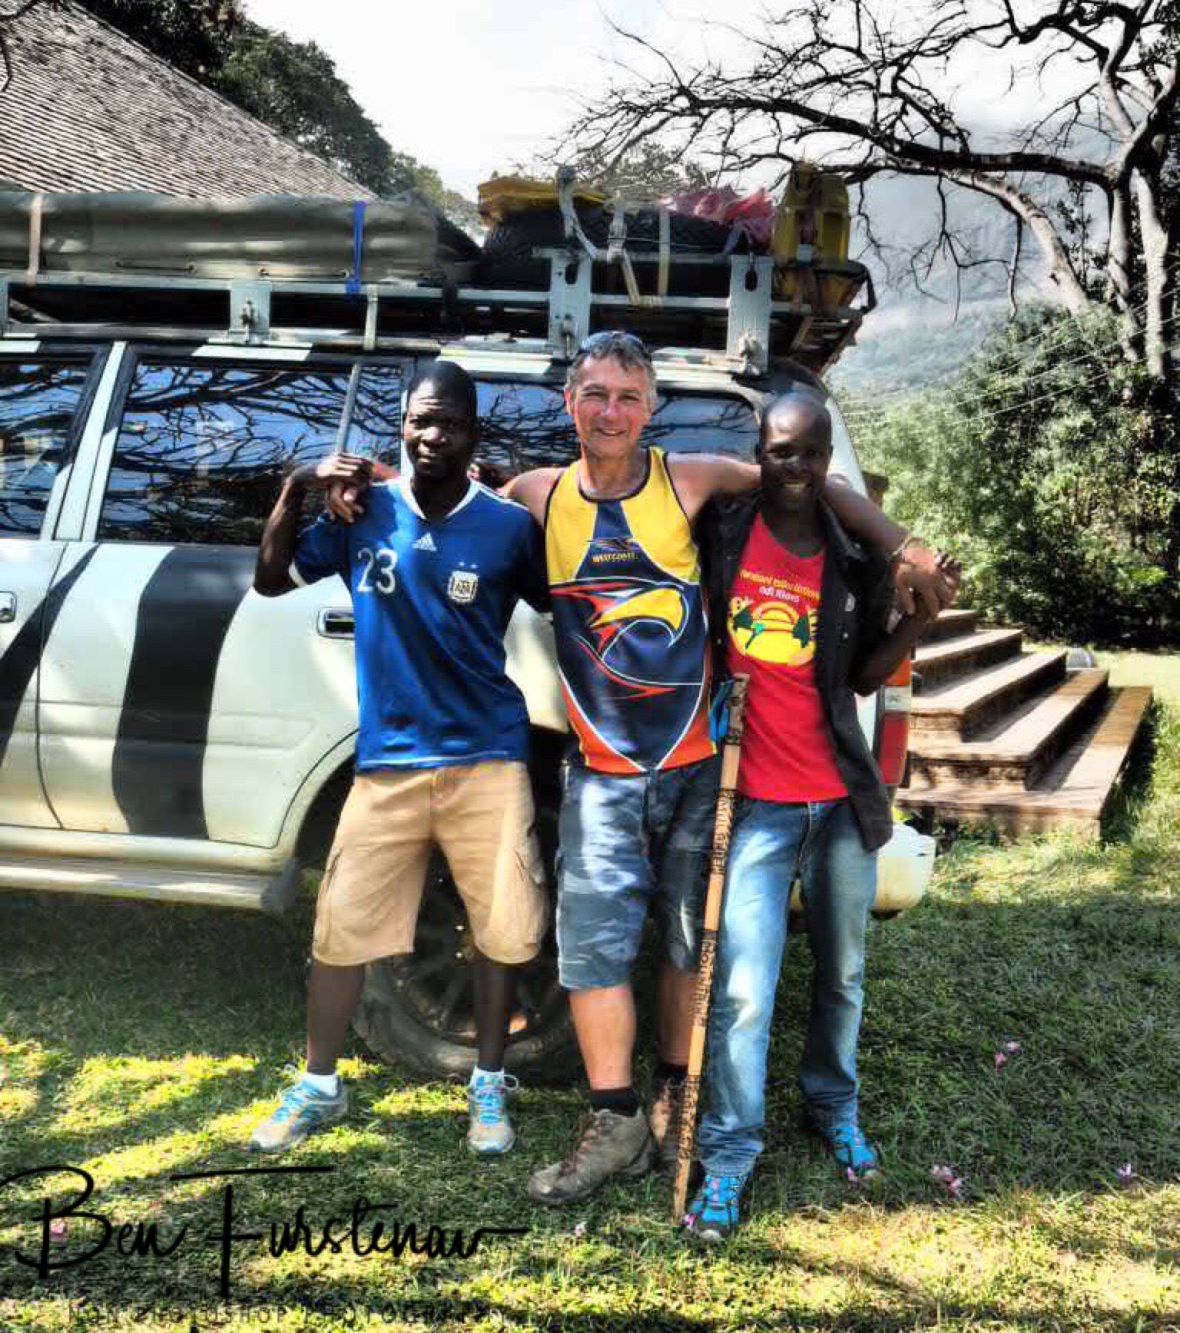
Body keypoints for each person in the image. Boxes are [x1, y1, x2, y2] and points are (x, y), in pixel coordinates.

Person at [492, 332, 957, 1206]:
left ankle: (676, 1092)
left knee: (684, 940)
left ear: (650, 406)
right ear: (568, 403)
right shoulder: (536, 495)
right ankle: (614, 1120)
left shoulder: (691, 479)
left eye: (629, 396)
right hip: (600, 770)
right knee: (592, 952)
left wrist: (904, 550)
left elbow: (818, 486)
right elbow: (450, 521)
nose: (611, 412)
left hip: (702, 765)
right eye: (594, 394)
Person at [250, 360, 550, 1157]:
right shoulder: (362, 513)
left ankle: (488, 1089)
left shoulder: (507, 527)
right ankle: (319, 1085)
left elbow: (560, 597)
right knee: (340, 928)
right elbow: (272, 579)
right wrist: (296, 487)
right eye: (420, 420)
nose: (431, 434)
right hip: (387, 762)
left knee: (501, 927)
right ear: (402, 427)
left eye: (448, 422)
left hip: (487, 755)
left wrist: (525, 489)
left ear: (471, 434)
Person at [684, 392, 944, 1241]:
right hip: (751, 802)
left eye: (809, 455)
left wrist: (917, 623)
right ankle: (727, 1154)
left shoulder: (847, 556)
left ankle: (831, 1105)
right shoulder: (723, 533)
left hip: (836, 804)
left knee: (842, 975)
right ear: (759, 452)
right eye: (778, 452)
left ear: (827, 459)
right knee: (746, 990)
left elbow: (866, 679)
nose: (792, 469)